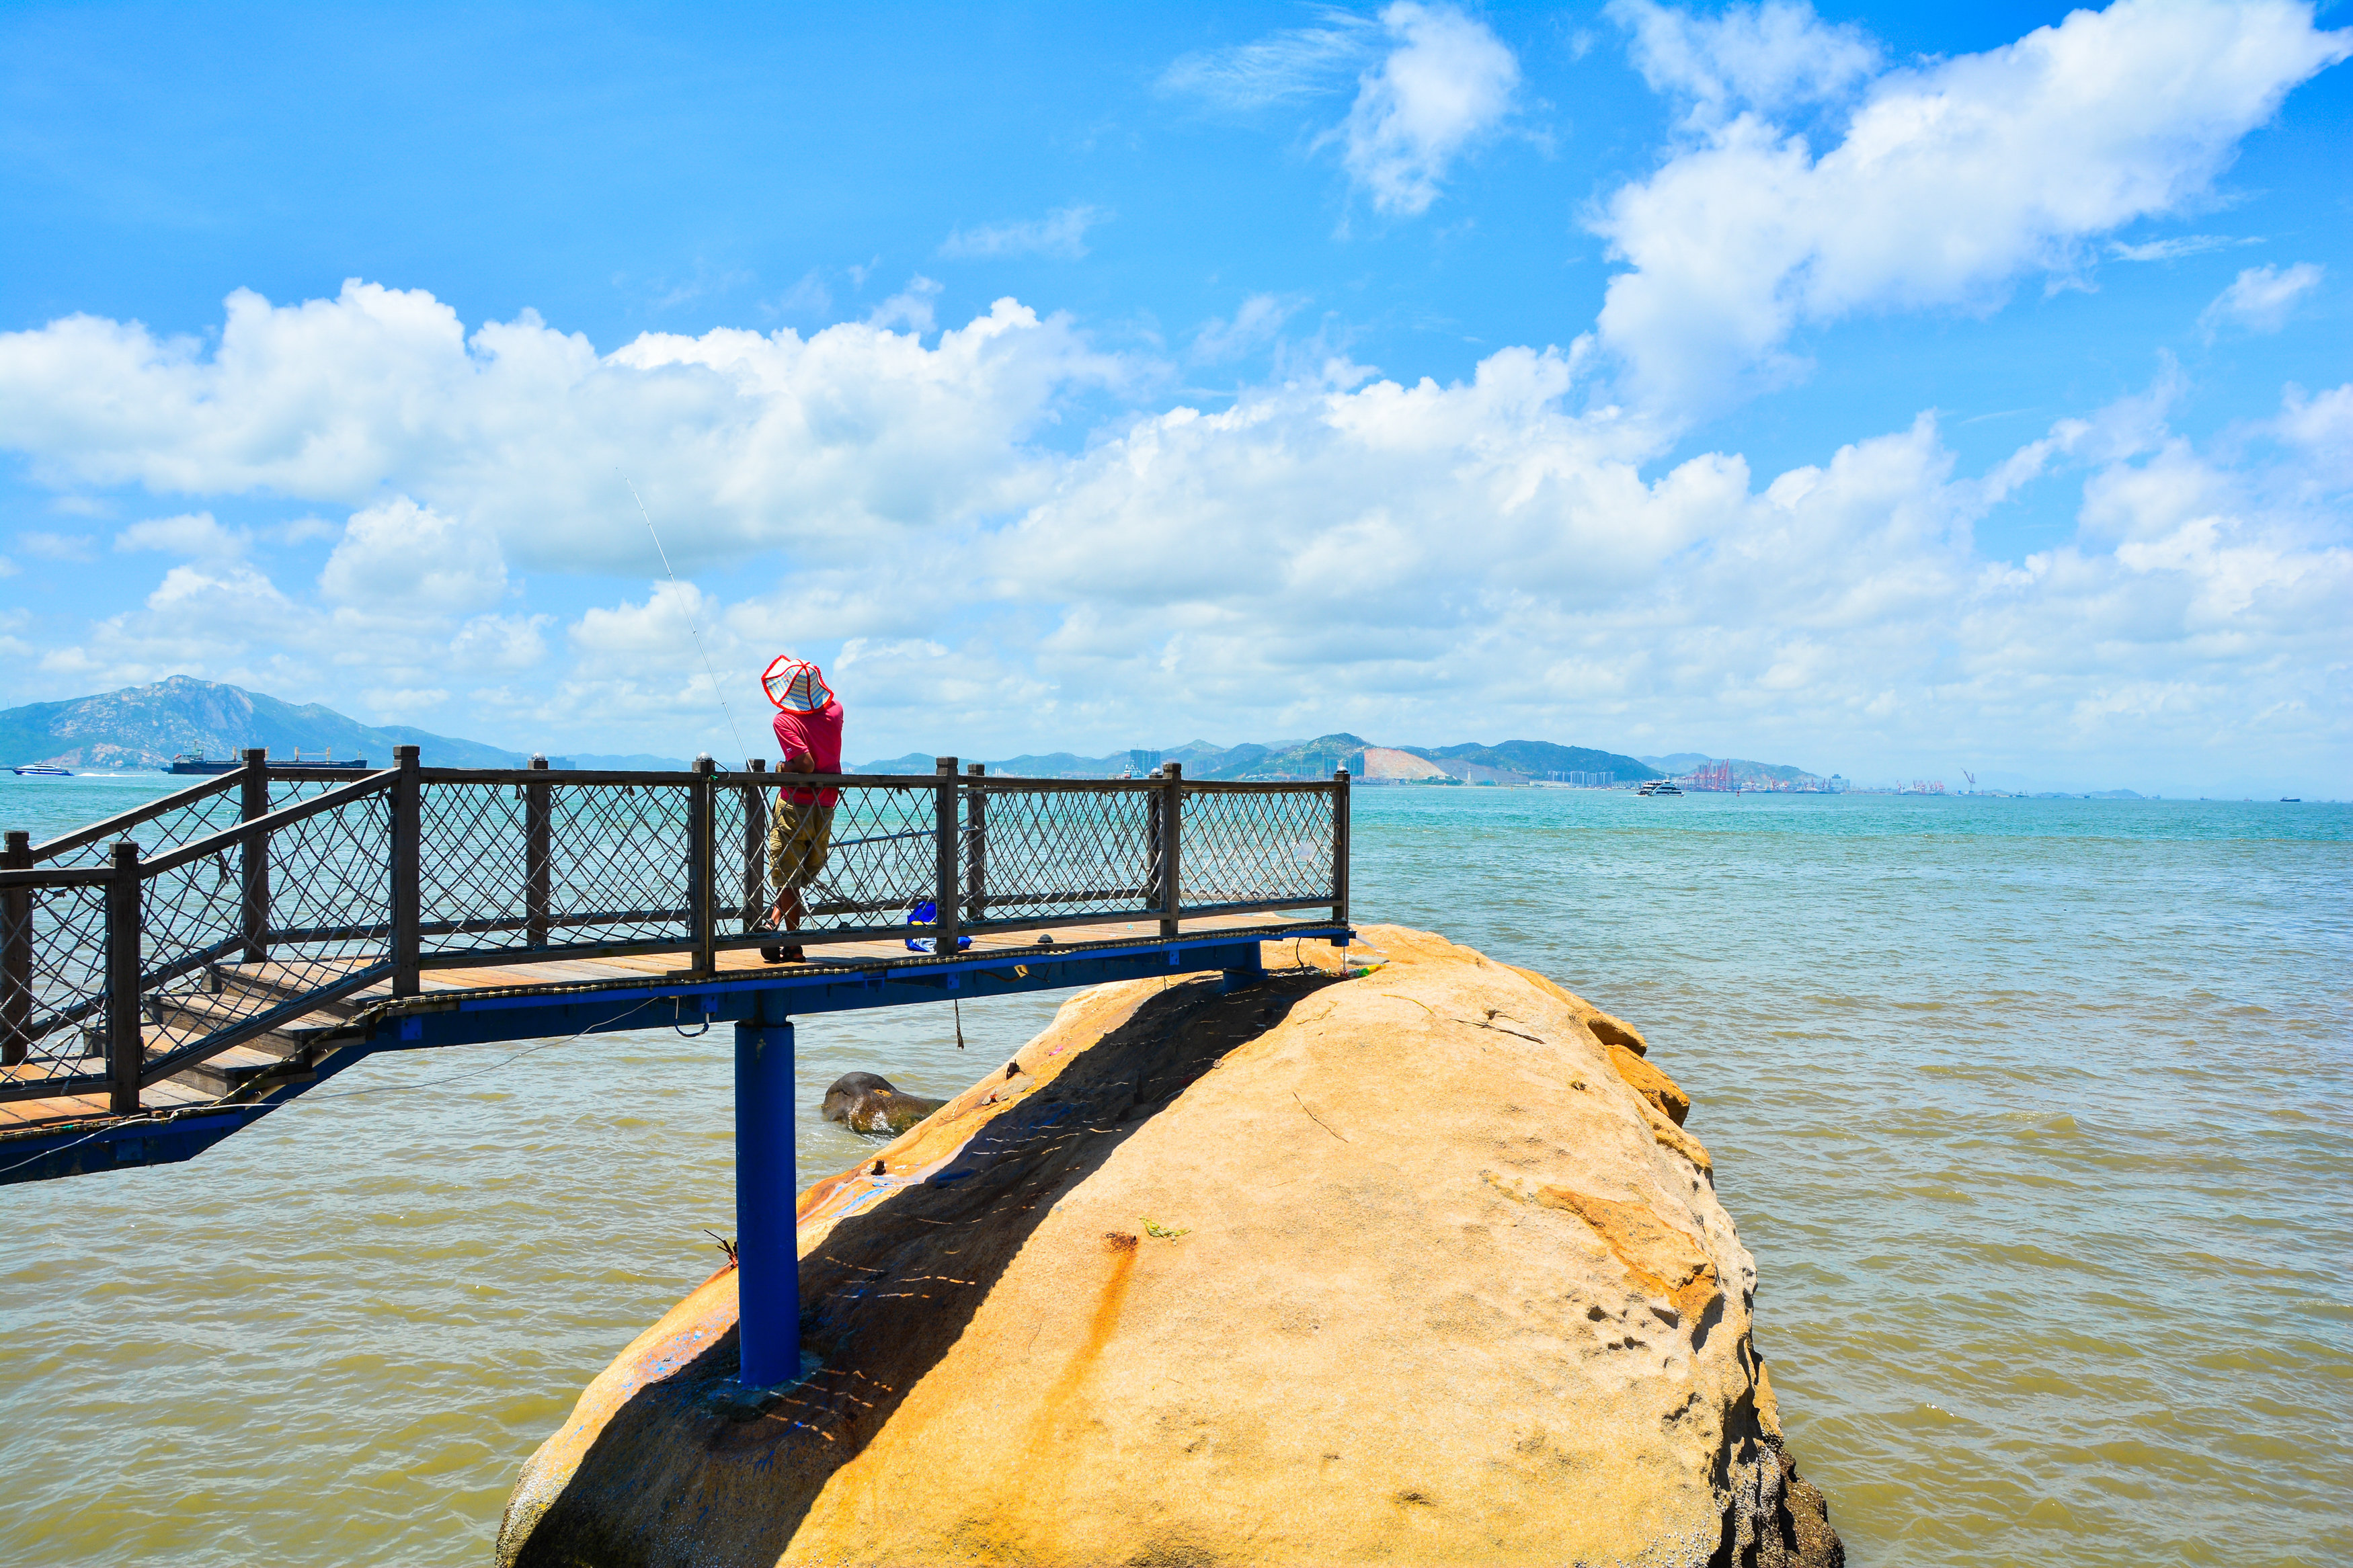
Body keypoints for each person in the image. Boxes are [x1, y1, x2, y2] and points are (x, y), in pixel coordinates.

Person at [761, 657, 843, 962]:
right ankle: (784, 933)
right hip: (826, 804)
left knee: (785, 873)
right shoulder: (837, 712)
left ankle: (785, 933)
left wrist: (783, 766)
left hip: (794, 804)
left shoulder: (784, 721)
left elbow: (805, 764)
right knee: (800, 872)